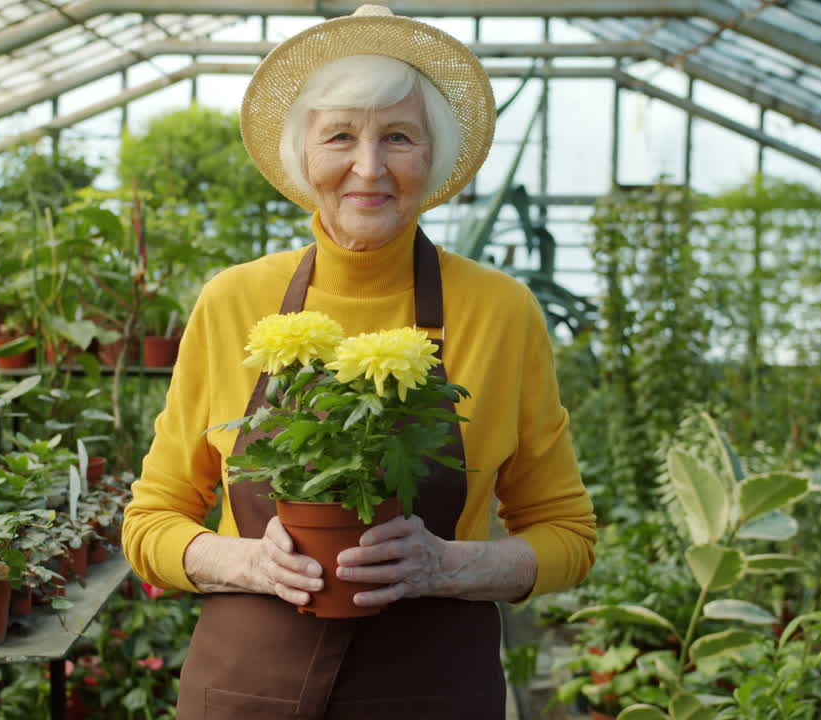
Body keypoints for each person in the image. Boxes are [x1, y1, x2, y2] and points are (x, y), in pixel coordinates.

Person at [122, 6, 596, 718]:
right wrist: (248, 562)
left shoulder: (500, 311)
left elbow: (567, 534)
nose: (368, 168)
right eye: (340, 135)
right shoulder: (232, 302)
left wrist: (448, 566)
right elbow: (151, 521)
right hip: (244, 688)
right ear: (303, 153)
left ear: (432, 156)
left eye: (398, 137)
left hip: (433, 689)